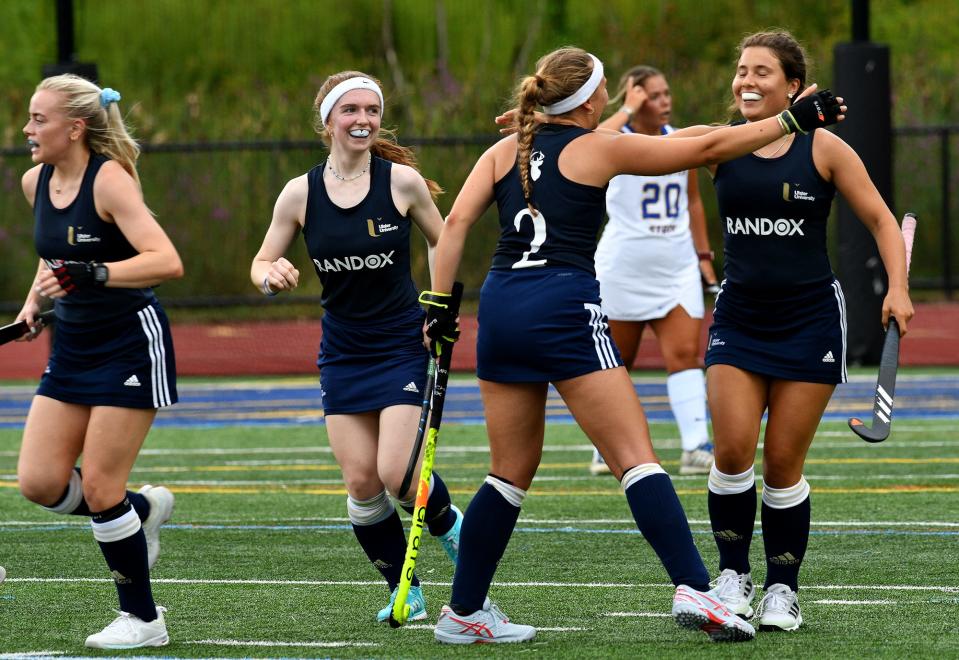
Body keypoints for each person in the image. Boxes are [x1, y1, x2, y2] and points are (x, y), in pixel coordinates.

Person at [424, 46, 843, 644]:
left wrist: (439, 305)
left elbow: (457, 223)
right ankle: (697, 587)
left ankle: (463, 611)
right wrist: (790, 122)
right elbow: (698, 148)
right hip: (562, 303)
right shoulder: (598, 146)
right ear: (592, 99)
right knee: (636, 458)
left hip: (501, 305)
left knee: (507, 473)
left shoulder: (503, 150)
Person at [698, 31, 913, 632]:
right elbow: (633, 148)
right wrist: (546, 128)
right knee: (732, 449)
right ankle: (732, 576)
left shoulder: (825, 149)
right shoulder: (720, 145)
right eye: (742, 70)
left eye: (762, 72)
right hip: (739, 319)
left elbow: (879, 218)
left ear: (794, 86)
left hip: (809, 321)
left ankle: (782, 589)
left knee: (782, 465)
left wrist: (897, 287)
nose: (747, 81)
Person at [250, 71, 463, 624]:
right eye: (350, 110)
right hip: (342, 350)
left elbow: (443, 240)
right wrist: (270, 274)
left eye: (371, 109)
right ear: (328, 122)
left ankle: (462, 540)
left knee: (399, 473)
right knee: (362, 484)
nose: (363, 119)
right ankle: (405, 590)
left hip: (399, 343)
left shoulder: (402, 182)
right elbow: (259, 262)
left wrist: (438, 306)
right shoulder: (299, 193)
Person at [16, 74, 183, 649]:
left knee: (104, 486)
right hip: (72, 347)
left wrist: (97, 273)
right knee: (39, 482)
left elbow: (166, 259)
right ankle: (142, 512)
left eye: (39, 119)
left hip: (130, 343)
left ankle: (144, 619)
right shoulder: (34, 182)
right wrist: (31, 307)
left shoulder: (109, 180)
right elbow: (51, 263)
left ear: (75, 127)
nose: (27, 129)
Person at [590, 65, 718, 477]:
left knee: (684, 354)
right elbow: (587, 139)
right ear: (636, 97)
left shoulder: (679, 140)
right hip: (623, 268)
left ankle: (695, 445)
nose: (665, 102)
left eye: (666, 94)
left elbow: (693, 201)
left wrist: (703, 255)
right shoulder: (614, 140)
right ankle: (608, 446)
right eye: (654, 96)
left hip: (676, 266)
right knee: (616, 361)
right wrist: (627, 108)